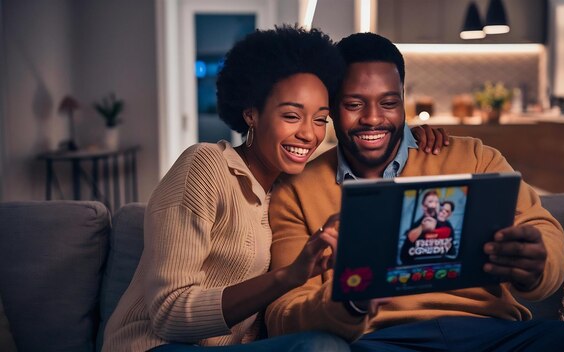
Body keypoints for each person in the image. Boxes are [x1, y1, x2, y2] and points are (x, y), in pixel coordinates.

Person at [265, 32, 564, 351]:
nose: (373, 118)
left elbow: (542, 228)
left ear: (404, 100)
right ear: (331, 107)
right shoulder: (297, 189)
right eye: (354, 104)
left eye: (389, 103)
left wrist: (537, 263)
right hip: (380, 339)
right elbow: (283, 312)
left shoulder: (473, 156)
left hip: (495, 333)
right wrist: (346, 303)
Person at [102, 26, 446, 352]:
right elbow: (169, 316)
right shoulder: (205, 166)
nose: (308, 134)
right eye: (292, 116)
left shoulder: (288, 188)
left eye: (319, 119)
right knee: (322, 347)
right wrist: (287, 277)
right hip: (156, 345)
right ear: (251, 113)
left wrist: (411, 134)